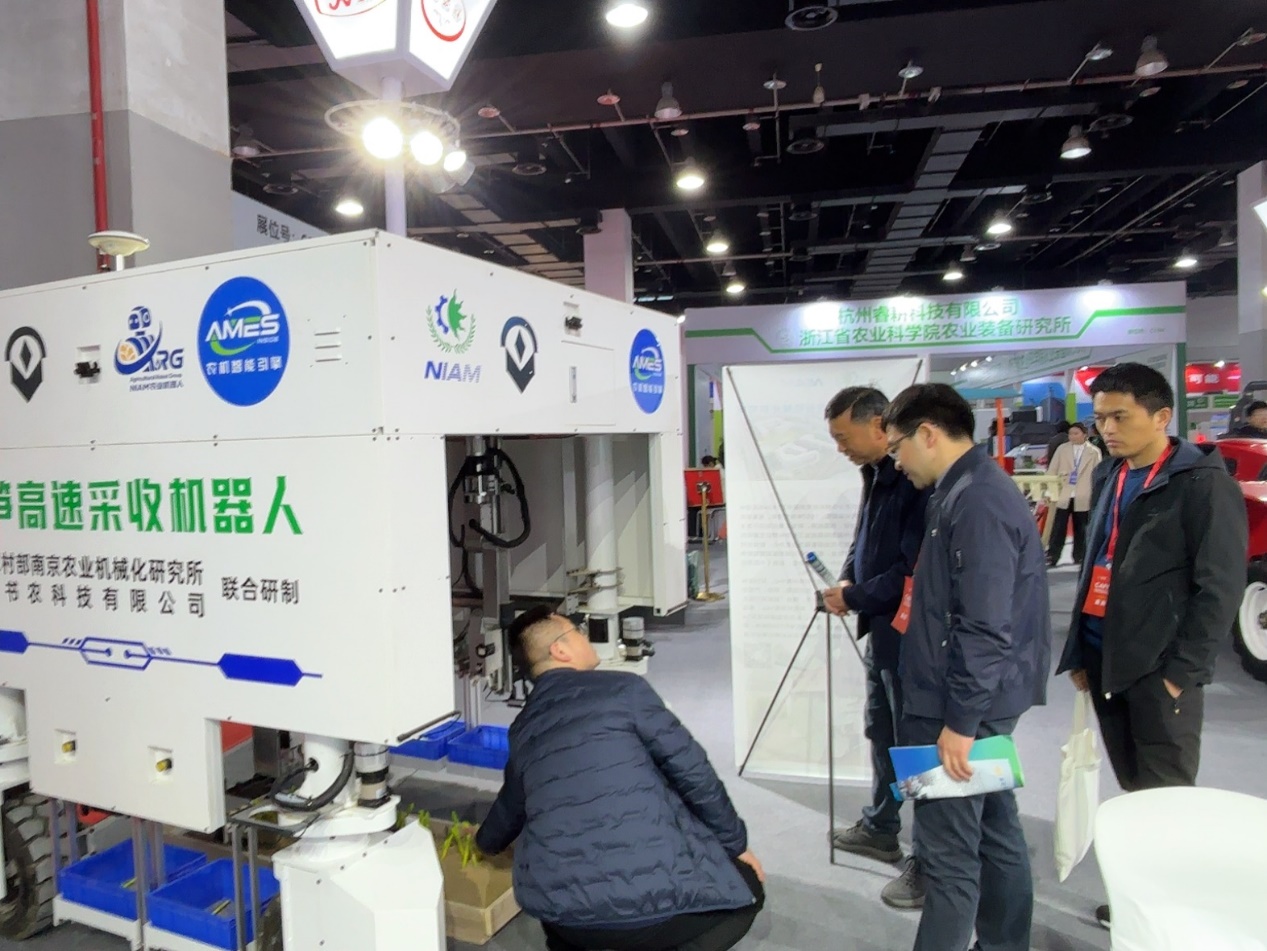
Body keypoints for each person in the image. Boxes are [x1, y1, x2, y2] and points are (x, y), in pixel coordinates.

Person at [1056, 363, 1246, 930]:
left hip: (1161, 670)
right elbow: (1095, 565)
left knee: (1168, 798)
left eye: (1120, 416)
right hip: (1105, 657)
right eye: (1100, 418)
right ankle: (1140, 900)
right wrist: (1080, 651)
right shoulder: (1112, 473)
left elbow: (1220, 586)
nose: (1107, 429)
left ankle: (1171, 914)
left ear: (1162, 416)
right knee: (1135, 791)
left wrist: (1182, 672)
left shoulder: (1202, 483)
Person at [475, 606, 765, 951]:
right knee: (747, 891)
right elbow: (693, 771)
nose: (586, 636)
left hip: (563, 917)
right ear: (560, 650)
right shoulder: (624, 689)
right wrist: (736, 844)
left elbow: (509, 806)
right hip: (652, 910)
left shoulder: (523, 727)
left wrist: (484, 843)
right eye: (577, 631)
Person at [881, 383, 1051, 951]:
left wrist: (959, 721)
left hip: (956, 707)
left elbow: (984, 623)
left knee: (947, 852)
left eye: (898, 447)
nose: (897, 461)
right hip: (973, 699)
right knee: (996, 830)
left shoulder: (976, 500)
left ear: (927, 434)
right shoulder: (966, 489)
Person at [820, 387, 931, 909]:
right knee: (882, 732)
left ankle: (930, 861)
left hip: (915, 641)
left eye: (844, 437)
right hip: (883, 632)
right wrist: (848, 579)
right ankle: (882, 826)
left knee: (917, 749)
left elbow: (910, 569)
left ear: (879, 425)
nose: (840, 448)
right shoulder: (876, 474)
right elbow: (864, 541)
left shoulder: (917, 480)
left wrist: (856, 596)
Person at [1044, 422, 1102, 567]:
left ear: (1084, 434)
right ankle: (1053, 555)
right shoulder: (1062, 449)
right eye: (1070, 434)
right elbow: (1052, 470)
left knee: (1082, 526)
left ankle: (1080, 555)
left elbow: (1098, 474)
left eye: (1076, 433)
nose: (1073, 436)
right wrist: (1049, 490)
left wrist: (1096, 493)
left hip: (1084, 492)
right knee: (1059, 526)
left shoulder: (1093, 451)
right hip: (1064, 491)